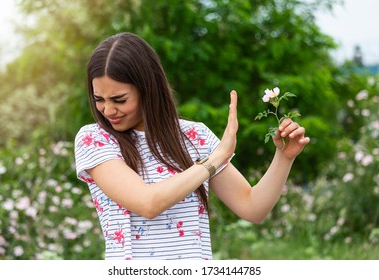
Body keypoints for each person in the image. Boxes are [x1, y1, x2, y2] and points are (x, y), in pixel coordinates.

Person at [74, 32, 310, 260]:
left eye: (119, 99)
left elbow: (252, 208)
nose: (108, 110)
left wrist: (284, 157)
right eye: (99, 99)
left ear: (148, 89)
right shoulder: (95, 139)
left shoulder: (194, 136)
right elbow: (148, 203)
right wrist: (214, 160)